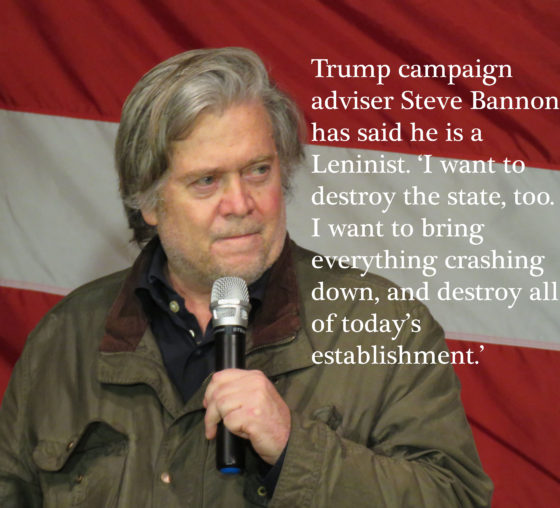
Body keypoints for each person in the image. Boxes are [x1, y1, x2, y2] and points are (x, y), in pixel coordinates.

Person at [0, 47, 492, 507]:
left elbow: (456, 496)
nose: (240, 204)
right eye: (207, 180)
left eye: (258, 170)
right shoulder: (66, 337)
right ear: (148, 200)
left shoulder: (386, 325)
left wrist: (293, 447)